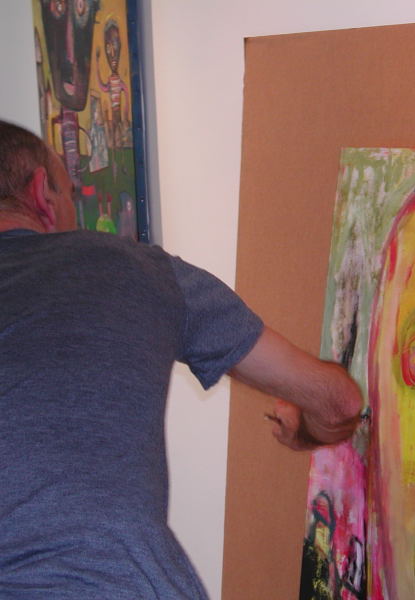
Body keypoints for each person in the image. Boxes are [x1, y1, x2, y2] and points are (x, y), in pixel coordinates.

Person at [0, 120, 362, 598]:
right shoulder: (137, 269)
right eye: (68, 193)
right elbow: (337, 404)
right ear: (41, 193)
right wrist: (306, 426)